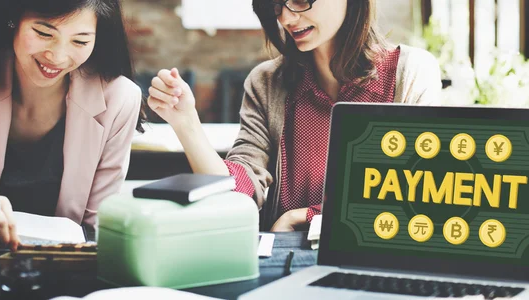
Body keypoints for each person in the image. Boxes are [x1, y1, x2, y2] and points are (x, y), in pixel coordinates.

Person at [147, 0, 441, 232]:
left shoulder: (409, 74)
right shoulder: (266, 82)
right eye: (277, 4)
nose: (286, 18)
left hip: (371, 262)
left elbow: (417, 196)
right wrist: (186, 123)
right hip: (282, 261)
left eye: (301, 0)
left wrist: (307, 217)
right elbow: (237, 189)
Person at [0, 0, 145, 250]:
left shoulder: (118, 97)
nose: (58, 56)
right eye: (43, 33)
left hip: (63, 268)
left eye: (80, 41)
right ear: (14, 20)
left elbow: (97, 228)